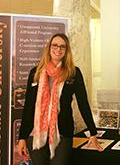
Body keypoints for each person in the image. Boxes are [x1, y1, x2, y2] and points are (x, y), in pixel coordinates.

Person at [17, 33, 103, 165]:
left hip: (62, 134)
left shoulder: (73, 73)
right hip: (36, 134)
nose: (58, 49)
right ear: (49, 48)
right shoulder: (36, 72)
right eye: (55, 45)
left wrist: (93, 132)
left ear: (67, 50)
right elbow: (29, 106)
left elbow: (83, 103)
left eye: (63, 46)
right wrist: (22, 137)